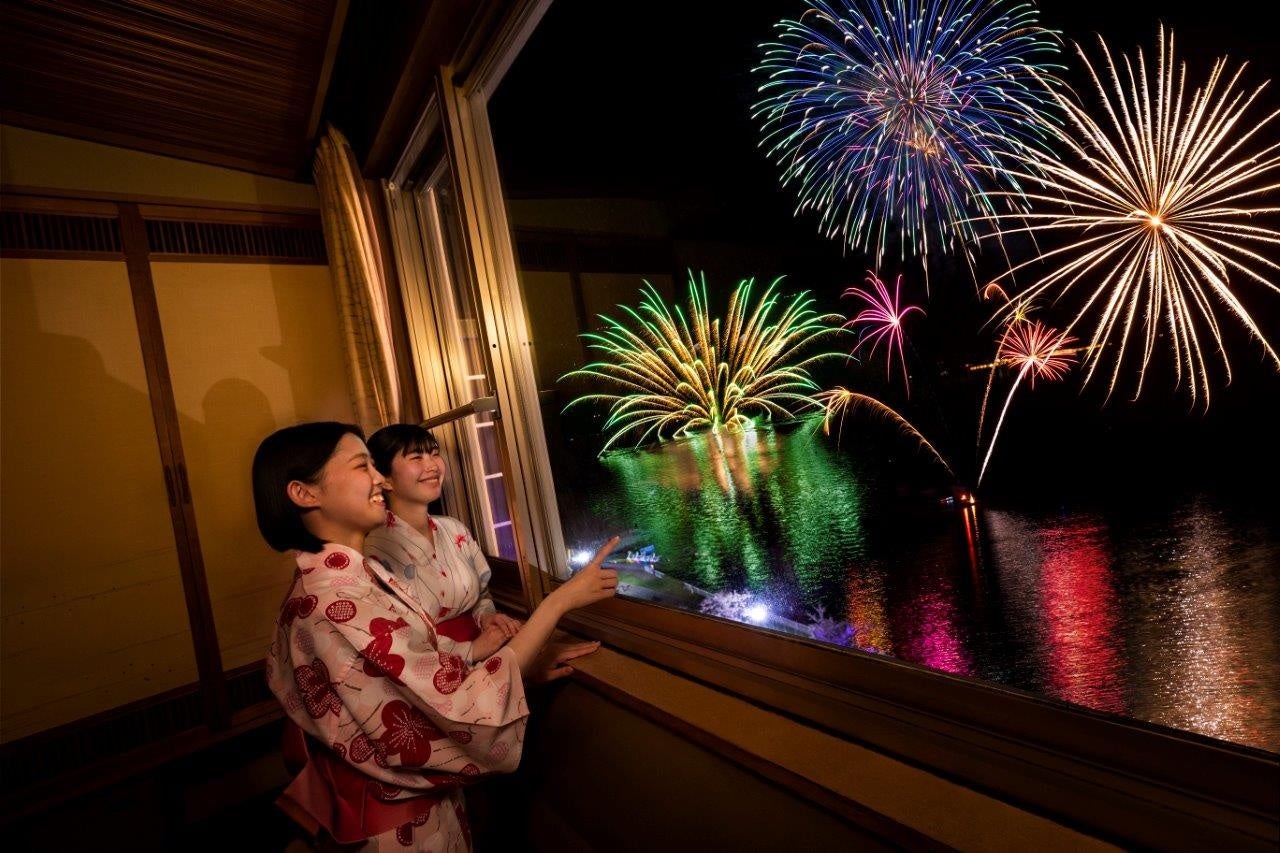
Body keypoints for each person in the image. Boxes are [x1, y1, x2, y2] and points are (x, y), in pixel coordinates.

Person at [253, 422, 618, 851]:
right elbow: (457, 702)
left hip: (462, 688)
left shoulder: (349, 578)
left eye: (374, 465)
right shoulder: (334, 598)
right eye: (362, 466)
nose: (377, 479)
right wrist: (557, 604)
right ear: (305, 493)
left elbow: (416, 664)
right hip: (396, 825)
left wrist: (499, 649)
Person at [364, 424, 517, 667]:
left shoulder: (454, 529)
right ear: (386, 480)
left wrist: (486, 618)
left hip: (485, 651)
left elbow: (481, 595)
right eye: (416, 457)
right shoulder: (376, 549)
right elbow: (403, 639)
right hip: (433, 670)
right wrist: (470, 650)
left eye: (434, 453)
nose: (433, 465)